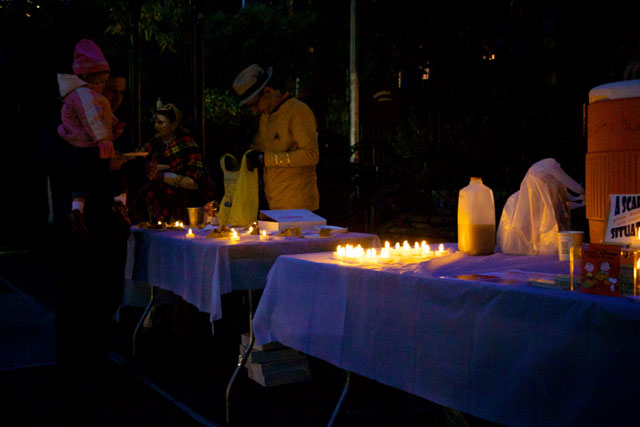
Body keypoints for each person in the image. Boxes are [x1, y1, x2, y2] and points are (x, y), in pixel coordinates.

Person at [56, 39, 129, 236]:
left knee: (89, 180)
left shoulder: (94, 98)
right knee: (92, 178)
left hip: (87, 147)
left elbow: (102, 116)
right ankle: (85, 211)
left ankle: (115, 206)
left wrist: (114, 127)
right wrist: (104, 141)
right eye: (104, 84)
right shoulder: (84, 97)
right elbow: (93, 119)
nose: (115, 97)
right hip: (85, 148)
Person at [232, 64, 320, 211]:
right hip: (273, 203)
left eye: (255, 104)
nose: (255, 110)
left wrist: (266, 159)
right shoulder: (266, 116)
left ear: (268, 91)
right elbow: (263, 147)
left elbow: (311, 155)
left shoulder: (298, 112)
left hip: (299, 207)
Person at [140, 101, 212, 222]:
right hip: (158, 204)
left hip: (183, 204)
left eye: (160, 122)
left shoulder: (188, 145)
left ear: (173, 125)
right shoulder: (153, 143)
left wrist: (162, 176)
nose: (156, 126)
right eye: (155, 122)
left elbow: (195, 182)